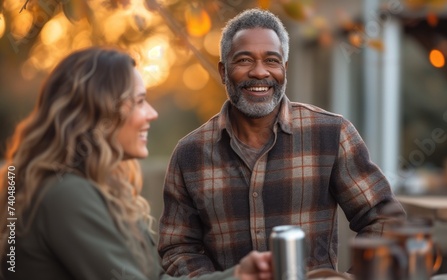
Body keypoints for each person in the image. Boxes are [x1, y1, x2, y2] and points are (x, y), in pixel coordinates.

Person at [157, 8, 406, 277]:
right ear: (223, 71)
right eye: (244, 60)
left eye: (271, 61)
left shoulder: (331, 134)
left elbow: (385, 220)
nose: (260, 72)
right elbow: (177, 248)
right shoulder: (190, 154)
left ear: (284, 69)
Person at [0, 47, 273, 280]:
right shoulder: (65, 195)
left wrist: (238, 275)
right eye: (140, 101)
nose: (151, 113)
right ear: (101, 111)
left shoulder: (96, 188)